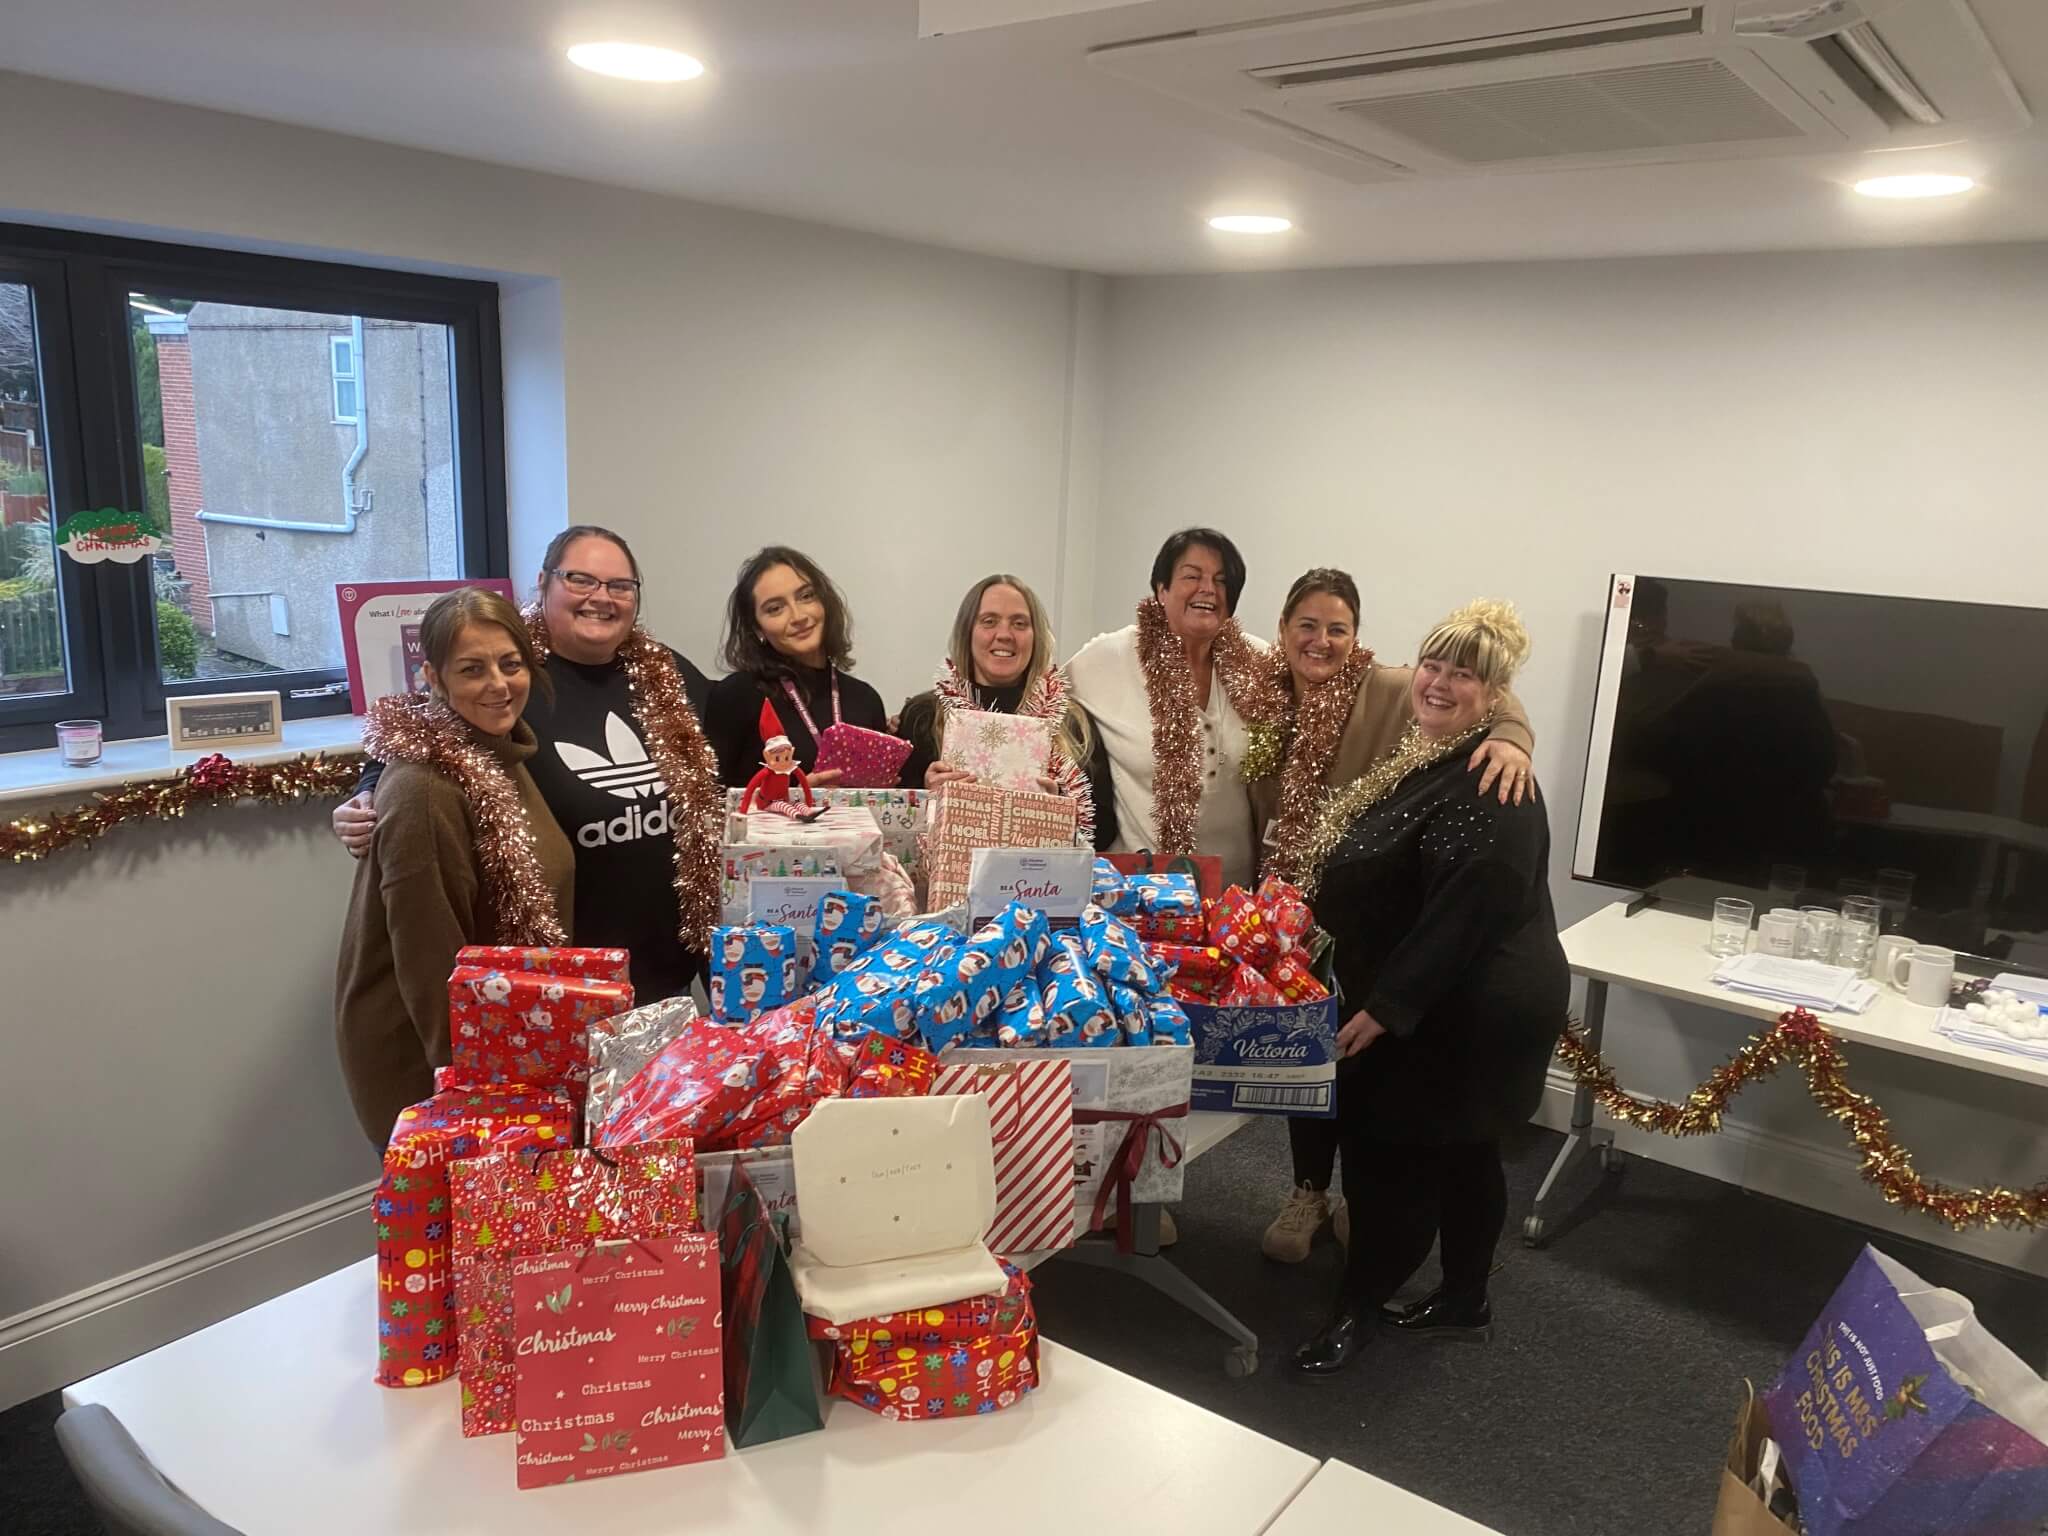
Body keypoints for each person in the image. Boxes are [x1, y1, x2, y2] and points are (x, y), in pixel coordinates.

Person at [1291, 599, 1569, 1375]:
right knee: (1466, 1153)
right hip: (1457, 990)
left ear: (1496, 695)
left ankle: (1356, 1310)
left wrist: (1387, 1007)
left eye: (1465, 675)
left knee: (1388, 1159)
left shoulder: (1490, 780)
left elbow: (1470, 906)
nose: (1440, 684)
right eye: (1433, 665)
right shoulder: (1436, 751)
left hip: (1466, 1004)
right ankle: (1465, 1295)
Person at [1249, 569, 1540, 1264]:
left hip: (1359, 906)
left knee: (1350, 1064)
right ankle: (1307, 1191)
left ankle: (1357, 1197)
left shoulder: (1382, 686)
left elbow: (1481, 692)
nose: (1320, 641)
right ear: (1282, 629)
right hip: (1269, 901)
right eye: (1306, 626)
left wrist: (1513, 740)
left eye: (1338, 628)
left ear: (1357, 639)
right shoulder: (1250, 691)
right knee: (1299, 1062)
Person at [331, 526, 725, 1005]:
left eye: (620, 586)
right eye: (581, 580)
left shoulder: (666, 674)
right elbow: (423, 730)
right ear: (544, 582)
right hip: (557, 984)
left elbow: (735, 753)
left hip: (665, 973)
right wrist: (368, 790)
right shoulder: (508, 672)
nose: (601, 598)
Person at [334, 588, 573, 1145]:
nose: (498, 684)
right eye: (472, 669)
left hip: (502, 1039)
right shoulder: (425, 789)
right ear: (433, 679)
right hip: (437, 1066)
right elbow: (432, 961)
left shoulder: (498, 753)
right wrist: (473, 1096)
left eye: (510, 664)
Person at [1067, 528, 1289, 889]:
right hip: (1139, 893)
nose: (1208, 589)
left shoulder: (1258, 662)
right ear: (1161, 589)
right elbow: (1037, 700)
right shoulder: (1105, 660)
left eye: (1221, 580)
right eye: (1191, 576)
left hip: (1236, 897)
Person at [896, 573, 1119, 851]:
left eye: (1019, 623)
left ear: (1036, 636)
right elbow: (895, 827)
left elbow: (1106, 830)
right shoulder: (924, 715)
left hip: (1041, 886)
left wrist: (1059, 812)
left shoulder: (1071, 721)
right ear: (967, 632)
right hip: (947, 888)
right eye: (989, 621)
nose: (1004, 635)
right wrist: (927, 795)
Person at [703, 546, 892, 788]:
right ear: (757, 628)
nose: (798, 616)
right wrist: (795, 798)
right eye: (775, 609)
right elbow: (710, 803)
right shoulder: (736, 696)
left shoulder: (865, 698)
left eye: (806, 596)